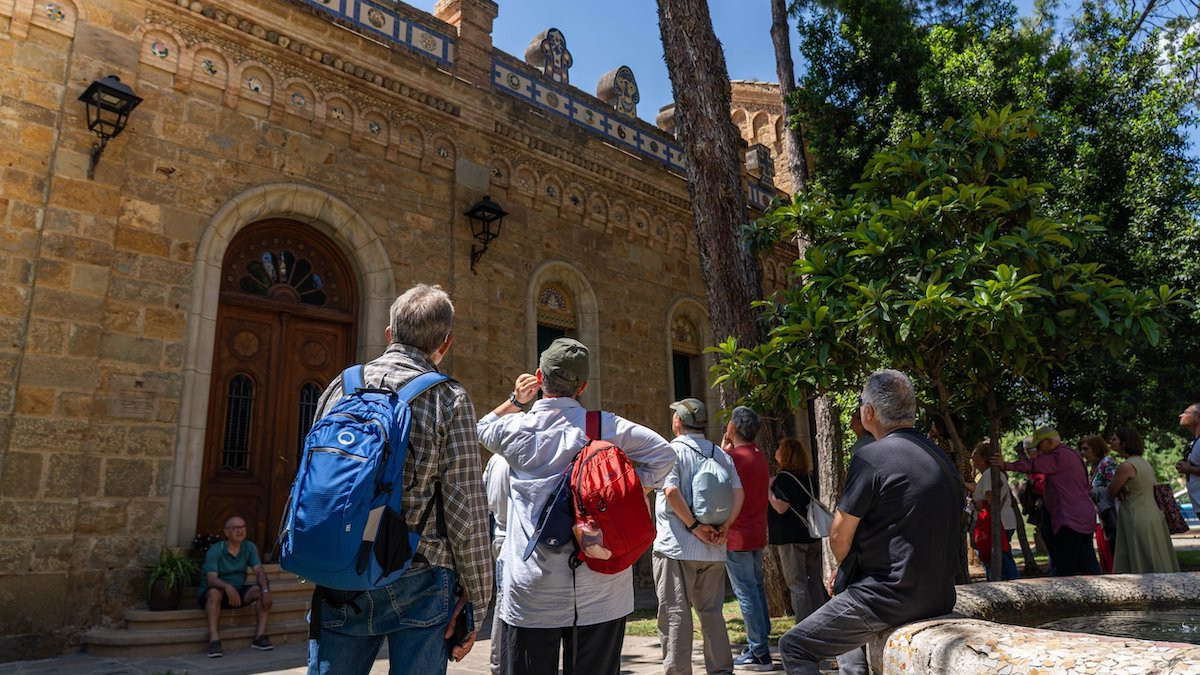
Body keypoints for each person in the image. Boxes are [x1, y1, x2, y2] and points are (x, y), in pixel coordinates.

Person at [307, 283, 492, 675]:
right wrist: (479, 595)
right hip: (421, 573)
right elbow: (466, 509)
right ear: (446, 343)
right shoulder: (449, 398)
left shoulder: (342, 386)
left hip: (343, 566)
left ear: (390, 334)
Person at [477, 338, 675, 675]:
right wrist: (625, 490)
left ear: (540, 377)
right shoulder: (606, 428)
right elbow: (663, 455)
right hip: (601, 590)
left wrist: (515, 400)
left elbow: (482, 427)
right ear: (582, 386)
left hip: (532, 591)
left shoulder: (516, 429)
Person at [778, 369, 961, 675]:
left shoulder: (872, 456)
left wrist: (844, 570)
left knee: (794, 646)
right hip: (939, 594)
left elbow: (838, 535)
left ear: (869, 412)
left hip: (888, 597)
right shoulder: (941, 458)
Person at [654, 397, 743, 675]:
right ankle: (721, 670)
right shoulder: (721, 454)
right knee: (712, 613)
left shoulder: (672, 452)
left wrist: (694, 527)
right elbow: (739, 493)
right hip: (714, 549)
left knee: (675, 614)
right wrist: (724, 527)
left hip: (677, 547)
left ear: (678, 421)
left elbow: (670, 492)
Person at [993, 426, 1099, 576]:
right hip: (1082, 516)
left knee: (1067, 568)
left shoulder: (1058, 456)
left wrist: (1006, 465)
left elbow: (1033, 465)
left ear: (1049, 442)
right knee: (1086, 564)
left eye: (1039, 445)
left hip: (1068, 519)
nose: (1038, 451)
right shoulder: (1072, 454)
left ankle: (1070, 597)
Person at [720, 406, 773, 670]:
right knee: (756, 589)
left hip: (737, 534)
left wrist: (723, 449)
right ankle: (760, 641)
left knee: (746, 593)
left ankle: (759, 650)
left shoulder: (732, 458)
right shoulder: (758, 456)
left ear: (734, 428)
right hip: (755, 532)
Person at [767, 437, 827, 622]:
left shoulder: (784, 479)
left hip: (791, 538)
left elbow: (781, 507)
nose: (775, 452)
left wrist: (767, 491)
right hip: (812, 534)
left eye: (778, 449)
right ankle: (822, 621)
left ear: (784, 454)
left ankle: (804, 626)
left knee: (797, 584)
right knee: (815, 581)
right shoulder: (809, 477)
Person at [199, 516, 273, 658]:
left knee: (261, 591)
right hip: (214, 594)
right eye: (236, 528)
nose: (240, 531)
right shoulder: (216, 550)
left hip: (237, 592)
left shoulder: (249, 547)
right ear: (227, 532)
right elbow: (211, 579)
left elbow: (259, 571)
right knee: (215, 592)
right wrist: (227, 587)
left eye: (243, 527)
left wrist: (266, 590)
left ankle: (260, 636)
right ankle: (214, 640)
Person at [1108, 428, 1180, 573]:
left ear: (1125, 444)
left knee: (1141, 558)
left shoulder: (1126, 466)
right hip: (1152, 513)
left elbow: (1111, 490)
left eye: (1114, 439)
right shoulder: (1144, 463)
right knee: (1155, 555)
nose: (1111, 441)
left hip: (1136, 514)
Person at [969, 443, 1019, 580]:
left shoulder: (989, 474)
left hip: (998, 524)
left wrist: (977, 504)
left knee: (1001, 562)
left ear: (983, 458)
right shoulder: (989, 474)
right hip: (1001, 522)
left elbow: (990, 500)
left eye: (976, 454)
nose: (973, 458)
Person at [482, 452, 511, 675]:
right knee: (505, 604)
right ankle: (499, 665)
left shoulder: (495, 459)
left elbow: (485, 497)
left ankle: (499, 664)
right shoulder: (519, 457)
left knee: (503, 600)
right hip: (512, 536)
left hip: (498, 533)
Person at [1080, 434, 1118, 573]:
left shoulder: (1107, 463)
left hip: (1109, 516)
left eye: (1086, 449)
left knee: (1111, 554)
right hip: (1100, 517)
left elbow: (1114, 488)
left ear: (1096, 448)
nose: (1083, 453)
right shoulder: (1095, 466)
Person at [1175, 403, 1200, 512]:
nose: (1181, 415)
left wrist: (1189, 469)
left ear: (1198, 417)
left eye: (1186, 413)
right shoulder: (1195, 441)